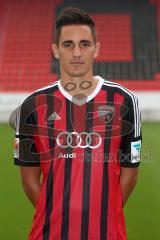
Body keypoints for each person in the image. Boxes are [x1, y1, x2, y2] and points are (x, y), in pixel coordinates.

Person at [14, 7, 142, 240]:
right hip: (48, 234)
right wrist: (57, 213)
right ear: (55, 50)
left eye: (84, 44)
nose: (76, 53)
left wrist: (104, 213)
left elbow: (130, 175)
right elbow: (29, 180)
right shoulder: (33, 105)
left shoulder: (124, 101)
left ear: (96, 49)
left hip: (107, 234)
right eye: (67, 44)